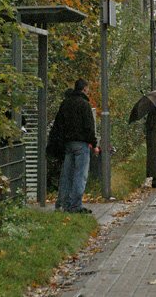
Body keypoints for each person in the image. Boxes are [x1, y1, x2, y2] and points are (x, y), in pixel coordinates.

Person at [54, 79, 99, 214]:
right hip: (81, 144)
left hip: (68, 144)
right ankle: (75, 206)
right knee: (80, 175)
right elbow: (89, 127)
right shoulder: (84, 105)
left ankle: (62, 204)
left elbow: (59, 125)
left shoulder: (66, 103)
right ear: (85, 89)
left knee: (66, 174)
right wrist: (94, 144)